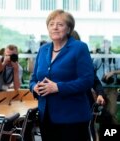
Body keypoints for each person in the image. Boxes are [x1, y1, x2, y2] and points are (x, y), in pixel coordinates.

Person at [29, 9, 94, 141]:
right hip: (46, 116)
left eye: (60, 24)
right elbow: (33, 79)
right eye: (51, 24)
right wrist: (34, 87)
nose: (55, 28)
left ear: (69, 29)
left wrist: (58, 87)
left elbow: (87, 80)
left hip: (72, 118)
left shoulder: (79, 48)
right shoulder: (43, 49)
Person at [93, 39, 120, 124]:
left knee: (112, 113)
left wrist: (113, 72)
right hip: (100, 89)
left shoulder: (115, 57)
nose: (105, 48)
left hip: (112, 89)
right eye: (104, 46)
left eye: (107, 45)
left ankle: (112, 133)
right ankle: (99, 135)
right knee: (99, 114)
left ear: (110, 46)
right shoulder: (98, 57)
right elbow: (91, 70)